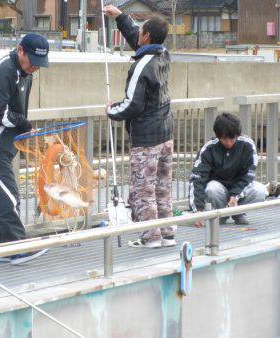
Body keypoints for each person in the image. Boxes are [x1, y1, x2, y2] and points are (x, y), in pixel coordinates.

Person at [0, 33, 50, 264]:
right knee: (8, 195)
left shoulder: (26, 74)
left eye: (39, 64)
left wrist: (22, 128)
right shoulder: (5, 70)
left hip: (5, 144)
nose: (34, 67)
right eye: (31, 60)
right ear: (20, 50)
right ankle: (18, 245)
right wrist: (22, 123)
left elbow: (18, 111)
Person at [103, 6, 175, 248]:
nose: (139, 34)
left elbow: (132, 105)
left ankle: (150, 237)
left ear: (147, 37)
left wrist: (111, 110)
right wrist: (120, 17)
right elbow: (138, 40)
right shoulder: (163, 54)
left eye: (141, 30)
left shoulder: (142, 65)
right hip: (166, 134)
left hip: (147, 138)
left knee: (143, 190)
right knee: (162, 188)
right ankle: (166, 233)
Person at [189, 113, 269, 227]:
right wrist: (197, 210)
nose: (228, 142)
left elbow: (248, 175)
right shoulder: (208, 149)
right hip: (219, 189)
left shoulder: (248, 145)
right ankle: (221, 215)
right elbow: (197, 178)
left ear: (237, 135)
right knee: (212, 188)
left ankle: (238, 213)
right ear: (218, 136)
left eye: (232, 139)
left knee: (260, 191)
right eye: (224, 139)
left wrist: (234, 196)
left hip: (239, 190)